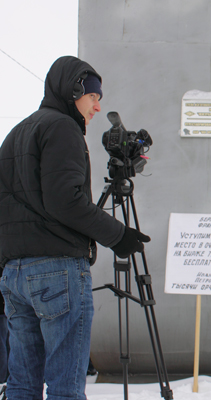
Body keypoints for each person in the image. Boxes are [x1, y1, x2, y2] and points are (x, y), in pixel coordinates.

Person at [0, 56, 150, 399]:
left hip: (15, 275)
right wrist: (119, 236)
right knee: (65, 387)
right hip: (56, 272)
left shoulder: (17, 132)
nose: (97, 107)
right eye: (94, 97)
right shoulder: (62, 127)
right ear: (74, 91)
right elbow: (64, 201)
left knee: (22, 384)